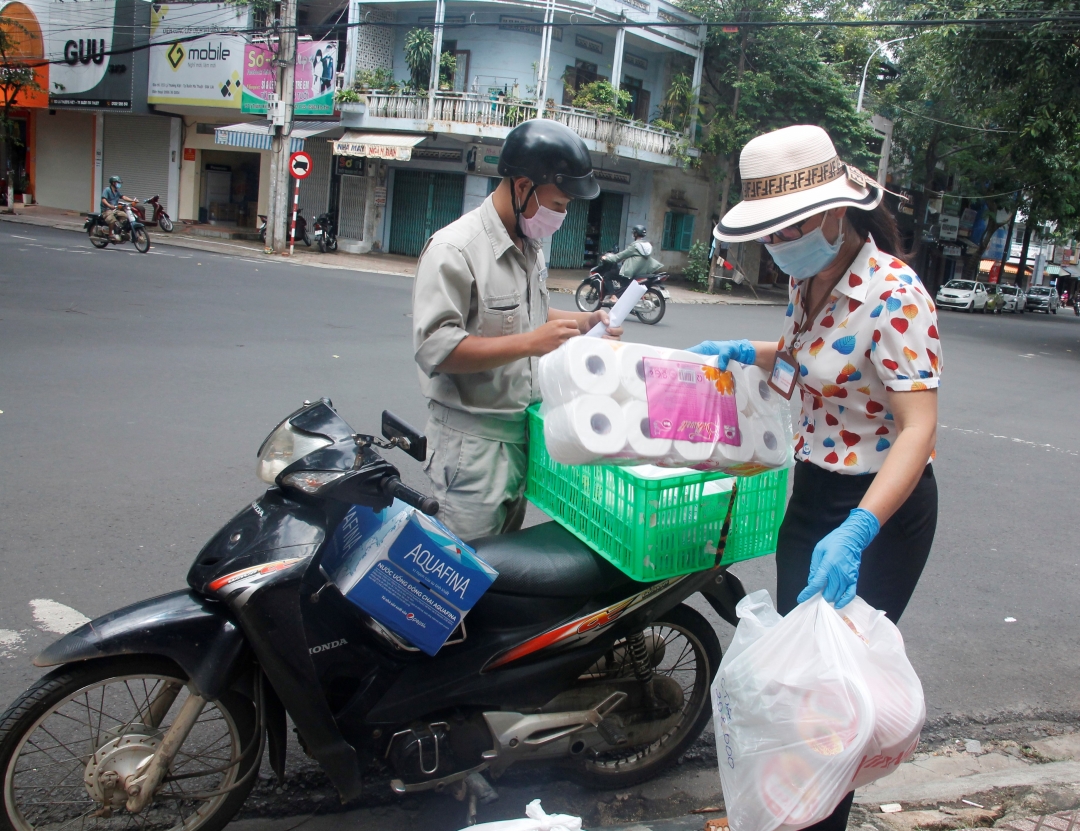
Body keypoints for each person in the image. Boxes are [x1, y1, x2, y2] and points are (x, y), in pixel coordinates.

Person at [687, 124, 941, 831]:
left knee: (836, 697)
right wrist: (750, 351)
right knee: (799, 680)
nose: (780, 244)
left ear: (836, 211)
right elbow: (813, 362)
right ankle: (789, 814)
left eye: (791, 226)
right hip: (814, 489)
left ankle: (818, 820)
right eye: (770, 232)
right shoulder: (807, 278)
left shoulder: (894, 293)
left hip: (880, 508)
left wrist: (859, 530)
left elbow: (917, 428)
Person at [412, 119, 621, 541]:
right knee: (462, 575)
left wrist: (582, 323)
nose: (561, 216)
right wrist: (530, 344)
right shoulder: (455, 250)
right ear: (523, 186)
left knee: (502, 575)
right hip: (471, 446)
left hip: (520, 436)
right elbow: (436, 347)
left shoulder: (528, 244)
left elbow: (530, 312)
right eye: (558, 204)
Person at [100, 175, 136, 242]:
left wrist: (132, 201)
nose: (119, 184)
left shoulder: (117, 191)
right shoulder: (107, 190)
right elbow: (103, 200)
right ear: (113, 183)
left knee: (125, 216)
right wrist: (109, 205)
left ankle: (119, 230)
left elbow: (123, 197)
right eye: (117, 182)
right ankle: (110, 234)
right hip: (106, 210)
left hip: (115, 210)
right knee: (112, 220)